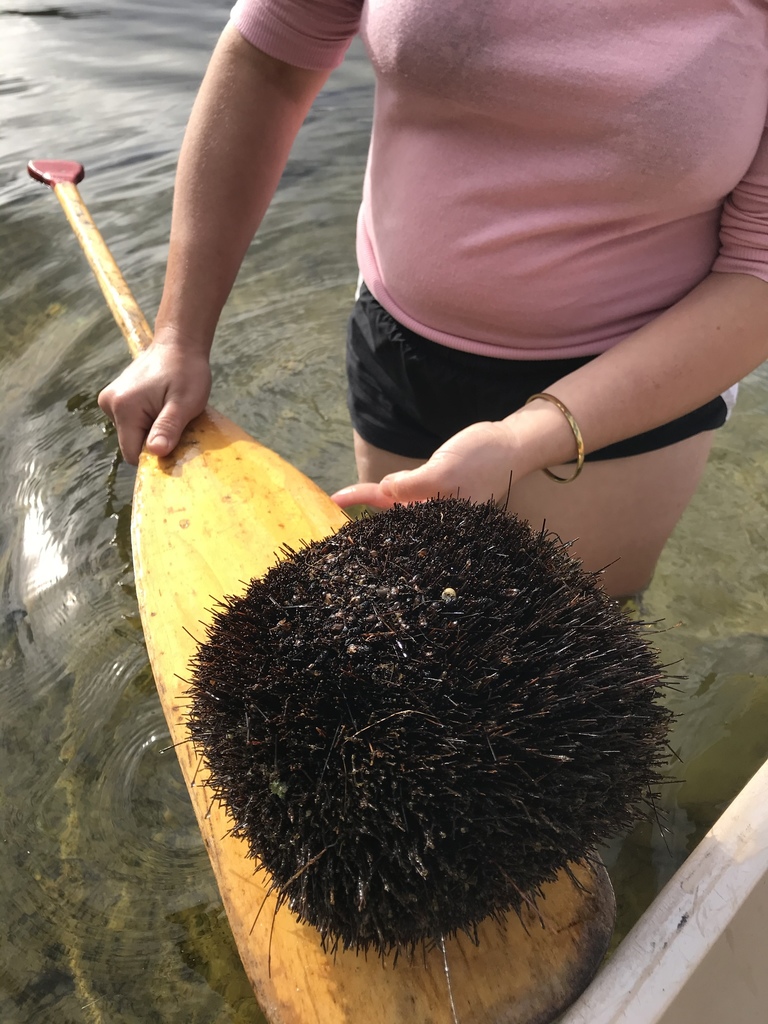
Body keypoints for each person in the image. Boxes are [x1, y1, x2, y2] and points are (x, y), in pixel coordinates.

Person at [98, 0, 768, 600]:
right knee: (412, 612)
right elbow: (270, 59)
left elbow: (758, 269)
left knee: (573, 645)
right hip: (400, 349)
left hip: (634, 391)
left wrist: (523, 438)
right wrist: (180, 337)